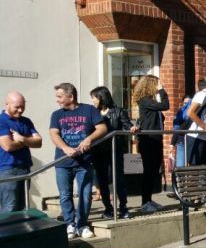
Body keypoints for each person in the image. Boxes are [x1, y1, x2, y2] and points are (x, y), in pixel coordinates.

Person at [50, 82, 107, 239]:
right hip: (63, 162)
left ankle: (82, 225)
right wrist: (65, 148)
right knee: (65, 194)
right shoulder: (57, 114)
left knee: (85, 194)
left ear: (71, 96)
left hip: (84, 161)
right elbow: (54, 134)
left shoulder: (89, 110)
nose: (58, 100)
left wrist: (89, 139)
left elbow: (102, 129)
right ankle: (70, 224)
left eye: (60, 97)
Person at [89, 86, 133, 219]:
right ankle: (108, 208)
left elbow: (127, 125)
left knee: (118, 179)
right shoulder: (93, 112)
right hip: (98, 152)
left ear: (102, 97)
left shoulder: (118, 111)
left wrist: (133, 128)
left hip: (114, 150)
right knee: (102, 181)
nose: (93, 101)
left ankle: (123, 207)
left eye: (94, 98)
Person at [132, 75, 169, 213]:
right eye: (158, 84)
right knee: (149, 170)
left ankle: (148, 199)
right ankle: (144, 202)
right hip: (148, 139)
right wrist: (161, 91)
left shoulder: (151, 101)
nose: (160, 86)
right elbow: (165, 105)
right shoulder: (145, 100)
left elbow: (161, 109)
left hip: (156, 138)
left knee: (154, 170)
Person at [0, 91, 42, 212]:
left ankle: (20, 231)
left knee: (23, 207)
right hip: (7, 170)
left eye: (22, 106)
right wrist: (28, 142)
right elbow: (8, 146)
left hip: (24, 169)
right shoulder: (2, 121)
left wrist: (21, 138)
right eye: (16, 107)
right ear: (6, 104)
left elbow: (39, 142)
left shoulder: (26, 121)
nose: (20, 110)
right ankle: (7, 231)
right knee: (9, 208)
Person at [171, 96, 191, 168]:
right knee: (180, 165)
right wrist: (172, 143)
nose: (187, 105)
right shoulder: (180, 112)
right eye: (185, 103)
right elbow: (176, 128)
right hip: (181, 140)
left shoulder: (194, 113)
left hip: (192, 140)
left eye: (189, 103)